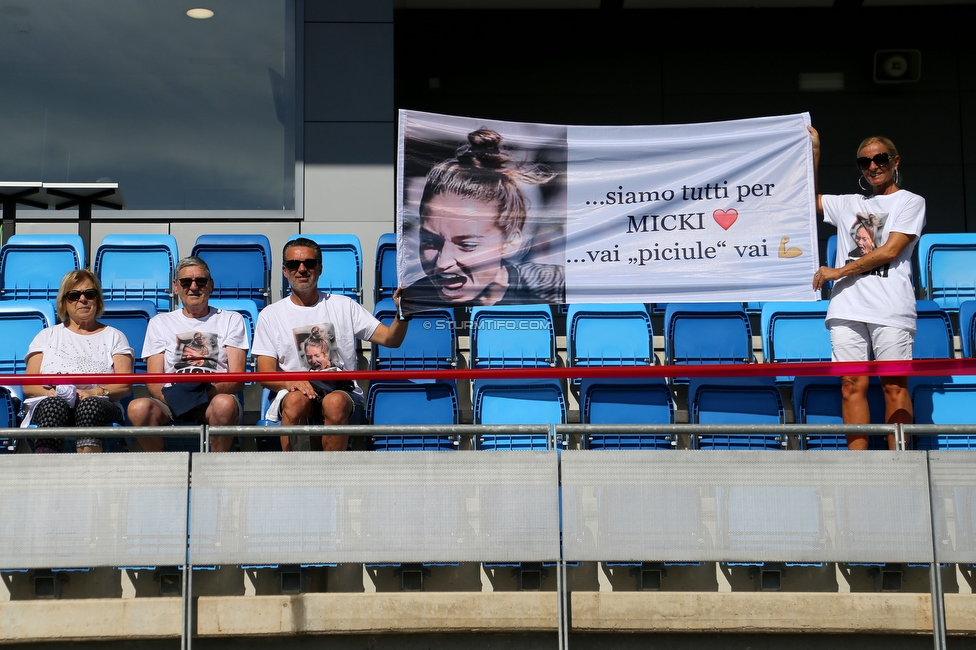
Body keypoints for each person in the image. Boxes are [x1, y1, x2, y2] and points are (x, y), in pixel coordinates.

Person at [809, 128, 926, 450]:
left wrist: (838, 272)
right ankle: (859, 471)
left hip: (890, 307)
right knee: (850, 384)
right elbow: (804, 201)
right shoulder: (848, 203)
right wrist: (815, 152)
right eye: (865, 161)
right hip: (847, 307)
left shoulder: (911, 201)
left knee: (893, 385)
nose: (873, 166)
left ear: (894, 161)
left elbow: (890, 250)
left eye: (879, 159)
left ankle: (901, 467)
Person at [252, 237, 409, 451]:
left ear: (319, 268)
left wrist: (402, 313)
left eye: (309, 263)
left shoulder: (344, 306)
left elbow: (391, 339)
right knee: (295, 401)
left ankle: (331, 478)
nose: (301, 269)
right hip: (295, 393)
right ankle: (289, 475)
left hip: (342, 393)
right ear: (284, 271)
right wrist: (291, 383)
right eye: (293, 264)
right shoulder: (271, 315)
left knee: (334, 402)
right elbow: (265, 372)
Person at [402, 128, 563, 313]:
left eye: (467, 245)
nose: (442, 262)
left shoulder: (552, 292)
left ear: (511, 241)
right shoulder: (413, 303)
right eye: (430, 242)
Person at [127, 256, 248, 452]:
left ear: (211, 286)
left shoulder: (231, 320)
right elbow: (154, 382)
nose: (193, 287)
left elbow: (237, 378)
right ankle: (162, 470)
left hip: (213, 395)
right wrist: (180, 400)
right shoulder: (160, 322)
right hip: (171, 398)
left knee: (224, 404)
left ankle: (215, 469)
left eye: (200, 281)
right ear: (176, 287)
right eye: (186, 282)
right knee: (137, 408)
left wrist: (198, 398)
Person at [23, 270, 133, 453]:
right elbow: (28, 385)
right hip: (52, 402)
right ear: (64, 302)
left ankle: (87, 473)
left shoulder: (114, 336)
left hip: (99, 404)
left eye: (89, 294)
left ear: (97, 299)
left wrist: (95, 392)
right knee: (54, 405)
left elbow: (124, 385)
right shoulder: (46, 336)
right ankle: (46, 472)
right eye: (74, 295)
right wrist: (52, 393)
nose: (83, 299)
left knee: (91, 405)